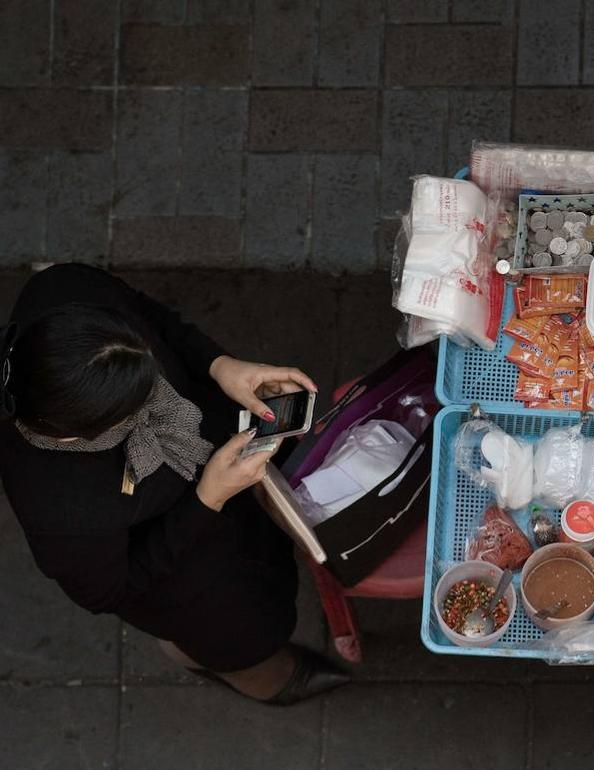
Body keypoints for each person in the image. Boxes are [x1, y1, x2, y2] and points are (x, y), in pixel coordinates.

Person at [0, 264, 347, 704]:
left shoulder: (64, 288)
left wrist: (220, 367)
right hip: (177, 559)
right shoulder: (60, 508)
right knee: (248, 631)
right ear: (74, 433)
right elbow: (112, 590)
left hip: (219, 469)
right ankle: (251, 674)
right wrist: (208, 498)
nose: (164, 397)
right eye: (138, 406)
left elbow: (153, 316)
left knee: (272, 540)